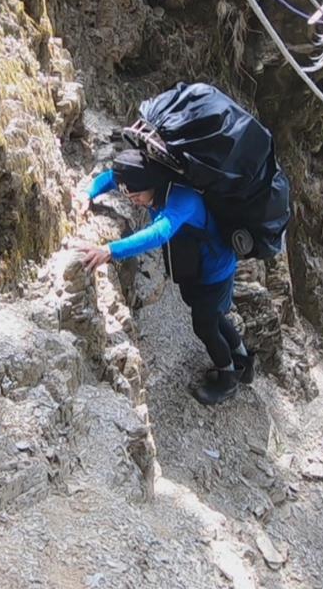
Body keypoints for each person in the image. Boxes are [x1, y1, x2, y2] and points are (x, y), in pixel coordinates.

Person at [76, 149, 251, 405]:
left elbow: (159, 233)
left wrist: (110, 250)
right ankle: (244, 360)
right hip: (197, 267)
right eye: (128, 195)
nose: (133, 201)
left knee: (204, 325)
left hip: (215, 271)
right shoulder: (144, 178)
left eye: (136, 196)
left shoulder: (184, 199)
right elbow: (111, 178)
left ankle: (228, 378)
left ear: (152, 185)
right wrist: (86, 193)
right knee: (213, 316)